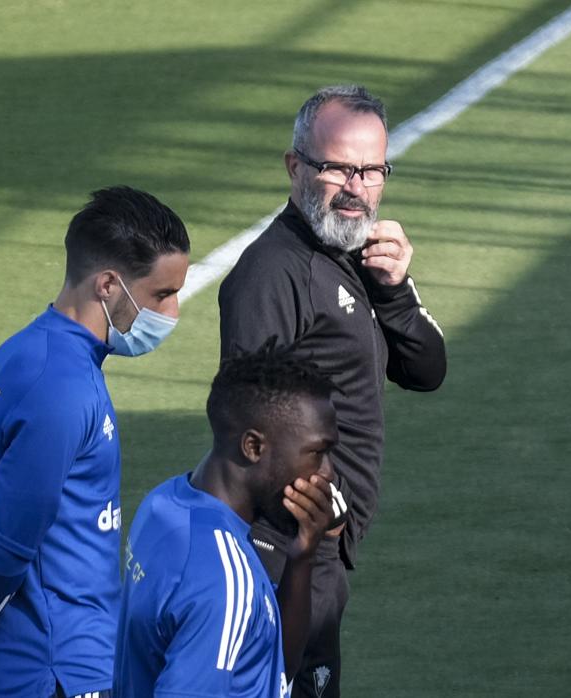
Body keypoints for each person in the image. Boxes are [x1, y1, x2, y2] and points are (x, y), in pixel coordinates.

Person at [0, 185, 191, 698]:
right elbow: (9, 545)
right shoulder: (61, 391)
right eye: (161, 295)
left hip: (40, 658)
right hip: (54, 671)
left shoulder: (23, 353)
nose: (171, 314)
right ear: (108, 284)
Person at [217, 84, 447, 697]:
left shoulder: (355, 254)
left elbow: (427, 371)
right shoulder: (271, 275)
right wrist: (329, 514)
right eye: (338, 168)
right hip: (286, 554)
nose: (357, 188)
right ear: (296, 167)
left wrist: (396, 291)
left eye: (372, 170)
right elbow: (248, 427)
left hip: (318, 550)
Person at [114, 343, 338, 698]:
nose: (327, 474)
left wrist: (301, 558)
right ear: (253, 447)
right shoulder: (221, 577)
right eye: (317, 453)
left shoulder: (163, 504)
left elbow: (270, 667)